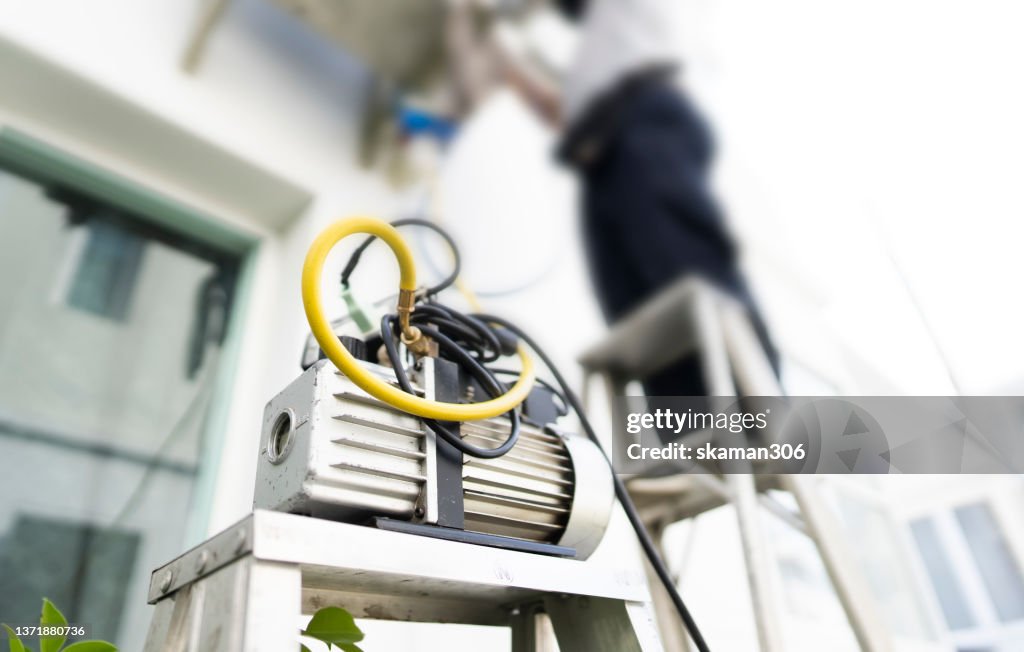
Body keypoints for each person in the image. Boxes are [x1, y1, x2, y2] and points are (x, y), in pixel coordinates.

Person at [447, 0, 778, 396]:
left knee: (690, 276)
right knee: (641, 320)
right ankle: (697, 445)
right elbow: (565, 115)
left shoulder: (625, 18)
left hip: (645, 126)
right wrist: (507, 66)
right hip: (602, 156)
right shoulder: (601, 46)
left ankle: (765, 426)